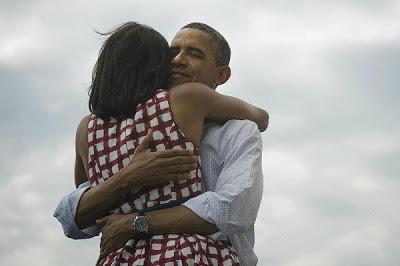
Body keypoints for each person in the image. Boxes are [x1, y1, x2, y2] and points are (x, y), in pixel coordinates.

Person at [55, 22, 267, 265]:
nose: (177, 60)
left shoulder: (237, 132)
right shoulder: (180, 104)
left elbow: (233, 210)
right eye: (171, 53)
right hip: (189, 255)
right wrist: (130, 175)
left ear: (221, 75)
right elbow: (79, 212)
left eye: (194, 54)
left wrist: (135, 221)